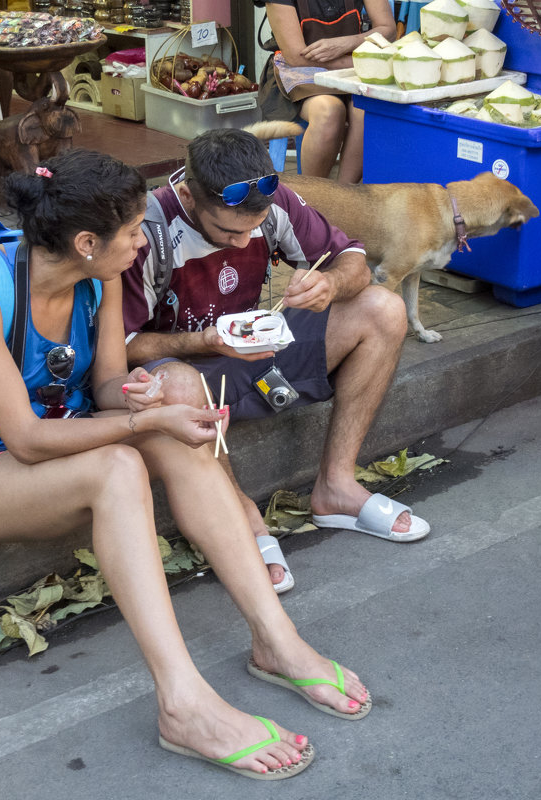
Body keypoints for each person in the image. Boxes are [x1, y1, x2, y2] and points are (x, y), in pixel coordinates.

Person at [0, 149, 371, 779]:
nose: (142, 243)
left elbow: (104, 387)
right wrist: (144, 421)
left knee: (169, 434)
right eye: (133, 232)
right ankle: (182, 702)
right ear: (84, 242)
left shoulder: (98, 276)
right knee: (122, 466)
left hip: (62, 433)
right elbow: (21, 439)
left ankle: (278, 642)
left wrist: (141, 399)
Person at [121, 129, 430, 595]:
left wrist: (331, 285)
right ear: (188, 194)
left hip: (252, 354)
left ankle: (336, 486)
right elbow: (122, 347)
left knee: (383, 309)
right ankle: (239, 513)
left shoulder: (273, 199)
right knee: (179, 382)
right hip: (183, 370)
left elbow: (353, 260)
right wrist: (204, 340)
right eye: (229, 231)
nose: (245, 243)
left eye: (255, 228)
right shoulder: (146, 232)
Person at [259, 0, 396, 182]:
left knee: (366, 111)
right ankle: (313, 199)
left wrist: (348, 43)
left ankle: (342, 196)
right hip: (300, 69)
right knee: (328, 112)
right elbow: (295, 56)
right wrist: (354, 62)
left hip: (351, 62)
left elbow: (388, 29)